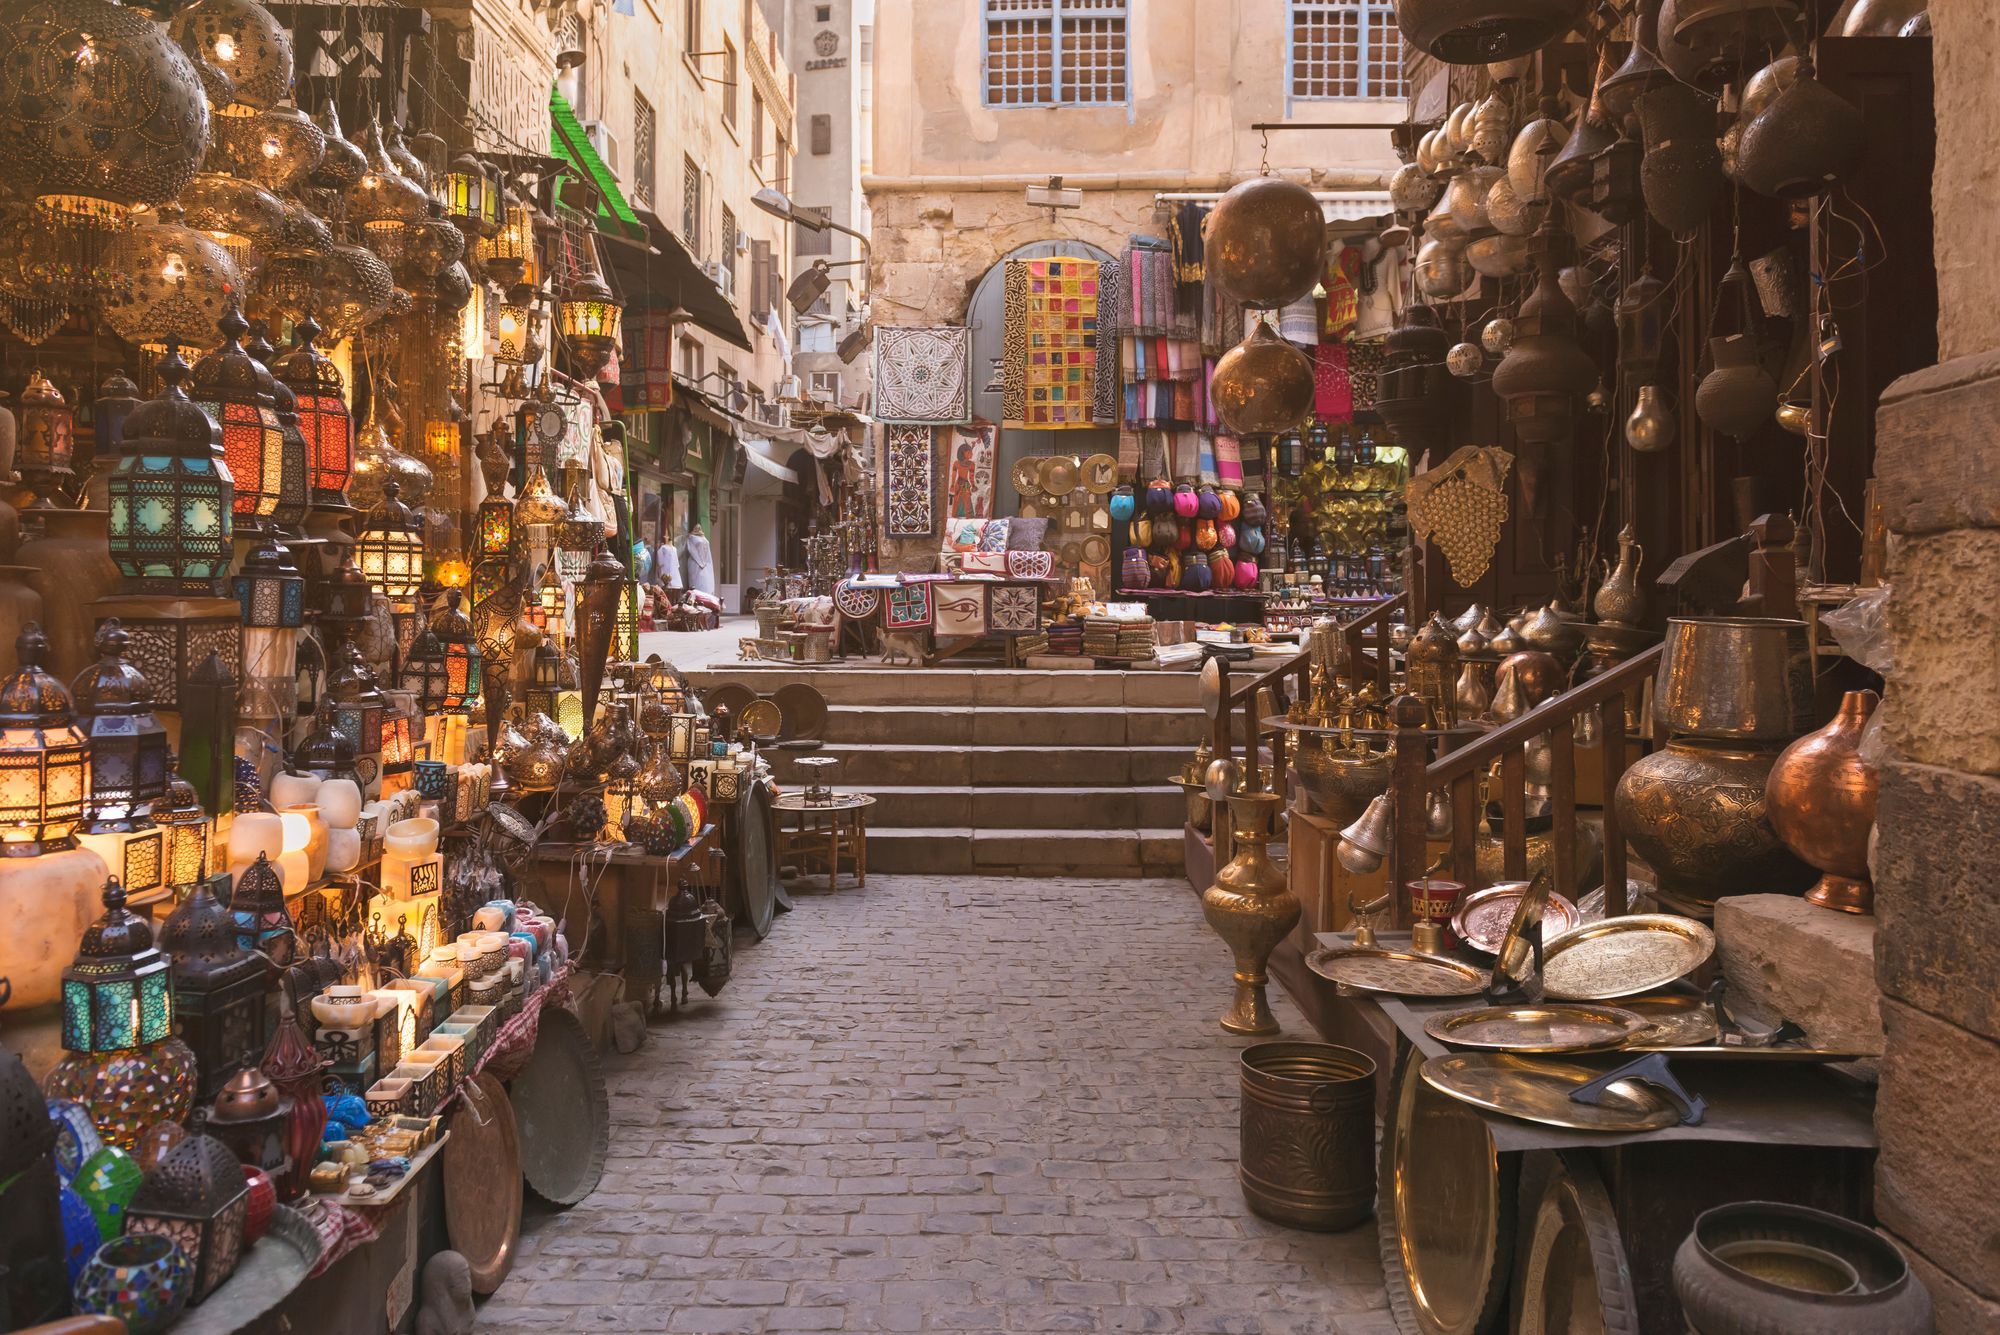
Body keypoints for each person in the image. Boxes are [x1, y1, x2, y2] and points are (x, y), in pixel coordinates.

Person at [683, 521, 716, 596]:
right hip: (696, 563)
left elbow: (708, 553)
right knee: (697, 583)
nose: (698, 528)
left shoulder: (703, 537)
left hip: (706, 564)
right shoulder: (691, 537)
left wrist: (706, 563)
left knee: (706, 584)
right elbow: (692, 550)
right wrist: (700, 562)